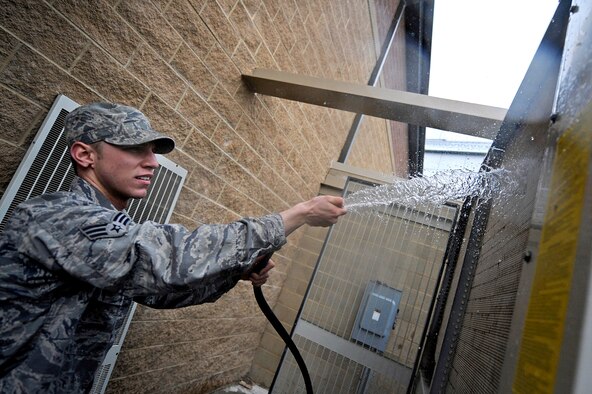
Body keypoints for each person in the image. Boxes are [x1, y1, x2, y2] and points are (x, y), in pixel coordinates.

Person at [0, 102, 347, 393]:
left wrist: (235, 272)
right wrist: (298, 214)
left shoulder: (110, 228)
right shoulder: (56, 216)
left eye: (151, 151)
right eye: (135, 149)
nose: (152, 162)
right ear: (85, 154)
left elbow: (163, 292)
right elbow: (166, 259)